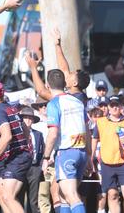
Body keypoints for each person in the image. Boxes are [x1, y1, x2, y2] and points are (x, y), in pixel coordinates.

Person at [41, 73, 88, 213]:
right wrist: (89, 154)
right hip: (82, 152)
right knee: (62, 196)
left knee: (71, 195)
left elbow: (53, 133)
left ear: (47, 85)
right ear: (64, 84)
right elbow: (87, 130)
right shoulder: (77, 102)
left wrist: (46, 157)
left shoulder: (54, 103)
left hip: (67, 152)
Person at [0, 81, 33, 213]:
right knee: (0, 193)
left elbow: (7, 136)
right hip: (18, 154)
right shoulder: (10, 108)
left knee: (8, 196)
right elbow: (25, 129)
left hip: (19, 156)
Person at [92, 95, 124, 213]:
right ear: (108, 107)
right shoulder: (101, 122)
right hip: (107, 164)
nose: (114, 107)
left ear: (121, 107)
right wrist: (91, 157)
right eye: (112, 105)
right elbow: (94, 138)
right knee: (112, 194)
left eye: (117, 105)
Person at [18, 106, 43, 213]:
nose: (28, 120)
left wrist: (40, 167)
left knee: (33, 200)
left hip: (34, 167)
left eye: (30, 118)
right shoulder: (17, 134)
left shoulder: (38, 134)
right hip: (20, 168)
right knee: (18, 197)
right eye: (25, 117)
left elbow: (41, 151)